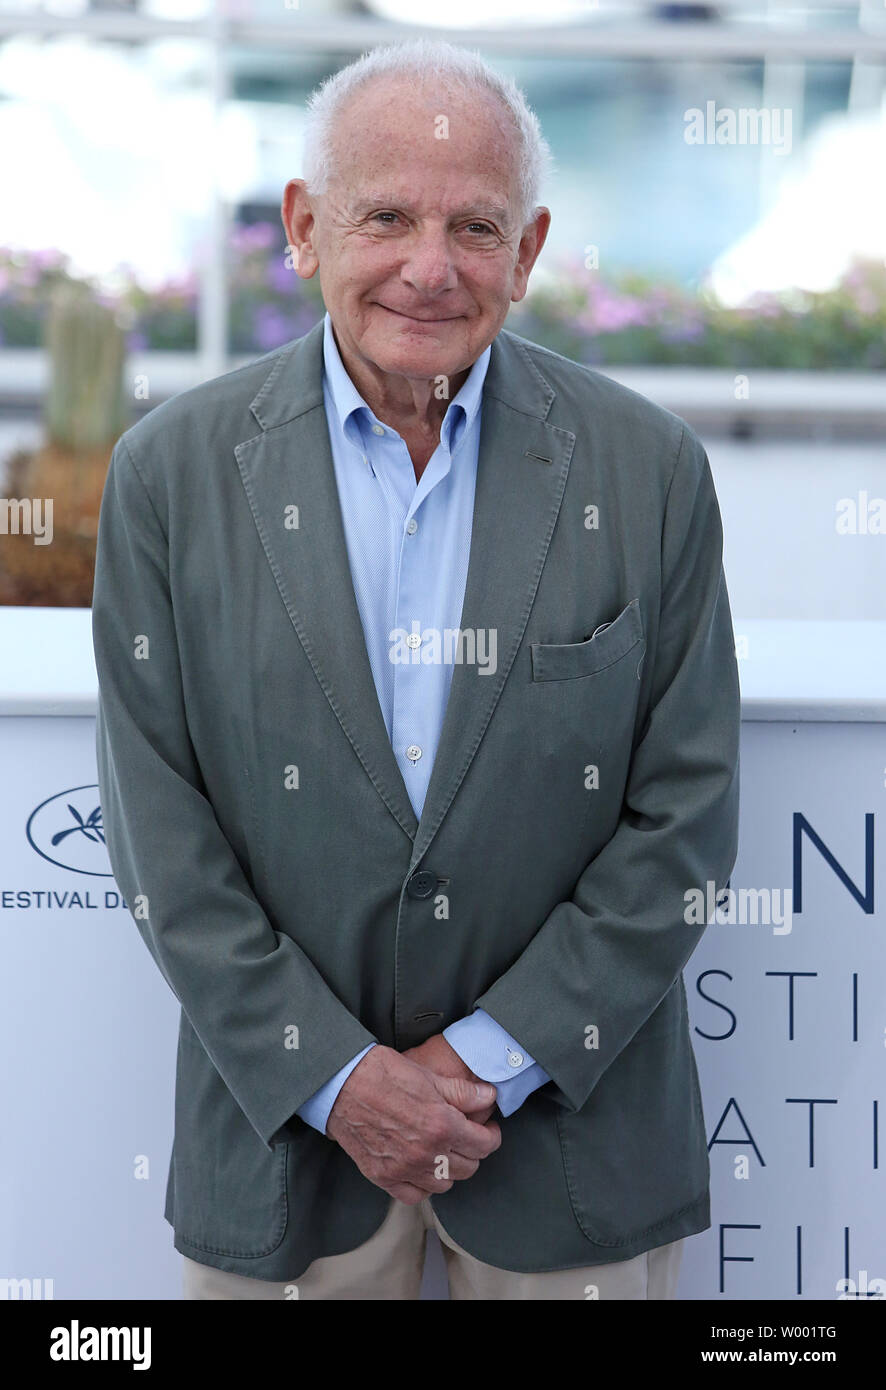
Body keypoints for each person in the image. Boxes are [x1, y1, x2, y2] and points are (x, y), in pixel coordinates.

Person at [92, 37, 740, 1301]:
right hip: (284, 1153)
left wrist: (488, 1060)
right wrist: (337, 1078)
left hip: (570, 1155)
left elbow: (685, 816)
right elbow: (161, 835)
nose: (429, 268)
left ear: (531, 250)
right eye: (384, 216)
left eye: (475, 226)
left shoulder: (649, 474)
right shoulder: (169, 475)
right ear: (303, 227)